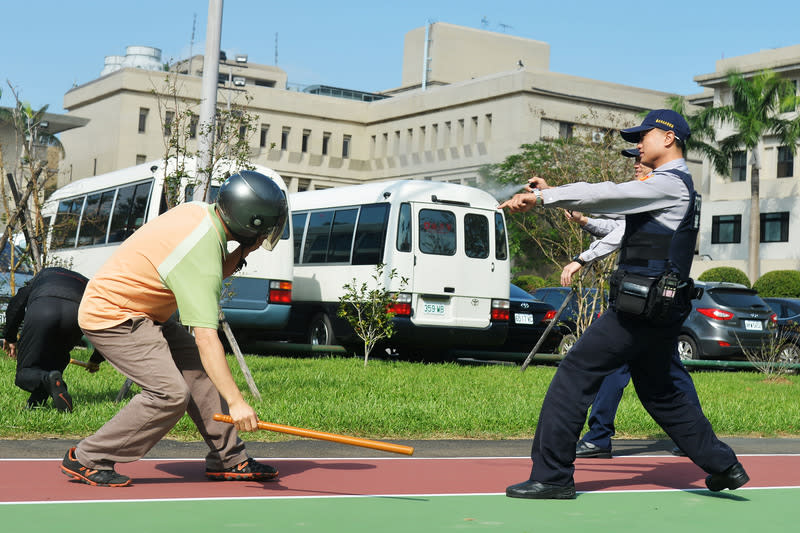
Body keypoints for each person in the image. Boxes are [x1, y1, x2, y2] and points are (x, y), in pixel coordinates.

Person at [499, 109, 749, 499]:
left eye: (642, 137)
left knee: (575, 374)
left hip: (640, 312)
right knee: (662, 392)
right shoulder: (669, 188)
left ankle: (552, 477)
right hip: (658, 310)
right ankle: (725, 466)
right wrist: (552, 195)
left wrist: (541, 197)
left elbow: (605, 193)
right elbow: (611, 216)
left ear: (668, 139)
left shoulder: (670, 185)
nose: (637, 146)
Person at [60, 170, 288, 488]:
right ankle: (88, 457)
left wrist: (242, 252)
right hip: (114, 316)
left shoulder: (201, 213)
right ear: (251, 223)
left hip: (145, 311)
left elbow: (201, 270)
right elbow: (208, 337)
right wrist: (237, 402)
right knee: (169, 394)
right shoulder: (202, 250)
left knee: (199, 375)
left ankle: (229, 459)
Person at [564, 149, 700, 459]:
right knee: (666, 370)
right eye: (633, 159)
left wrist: (581, 259)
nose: (635, 163)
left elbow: (619, 234)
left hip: (650, 301)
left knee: (627, 365)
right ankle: (691, 438)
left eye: (640, 158)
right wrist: (584, 220)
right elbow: (619, 230)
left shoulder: (663, 193)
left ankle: (599, 437)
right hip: (639, 300)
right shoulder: (648, 194)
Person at [3, 267, 104, 412]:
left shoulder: (43, 276)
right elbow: (104, 322)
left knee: (25, 373)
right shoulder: (88, 285)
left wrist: (10, 336)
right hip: (75, 316)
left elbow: (17, 303)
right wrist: (96, 359)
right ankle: (34, 406)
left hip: (43, 309)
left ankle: (47, 381)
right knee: (52, 370)